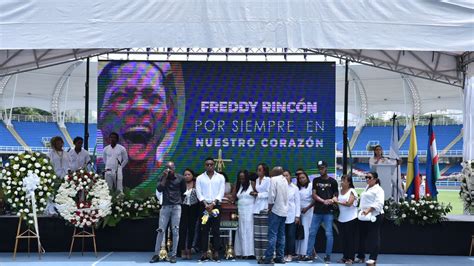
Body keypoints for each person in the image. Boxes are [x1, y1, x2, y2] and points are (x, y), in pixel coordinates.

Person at [98, 61, 178, 190]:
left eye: (152, 97)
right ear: (99, 113)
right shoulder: (92, 177)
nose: (139, 106)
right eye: (123, 96)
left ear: (171, 117)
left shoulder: (170, 177)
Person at [150, 161, 186, 264]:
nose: (169, 170)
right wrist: (165, 178)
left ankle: (173, 255)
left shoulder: (180, 178)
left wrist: (179, 202)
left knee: (175, 231)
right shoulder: (162, 177)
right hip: (165, 207)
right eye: (167, 168)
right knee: (160, 230)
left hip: (176, 207)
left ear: (174, 168)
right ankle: (156, 254)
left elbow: (183, 191)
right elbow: (159, 189)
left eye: (171, 168)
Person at [303, 160, 338, 263]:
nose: (320, 170)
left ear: (326, 168)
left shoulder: (333, 181)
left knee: (329, 234)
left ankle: (328, 256)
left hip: (328, 212)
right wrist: (324, 201)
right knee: (312, 232)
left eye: (322, 168)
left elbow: (336, 195)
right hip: (317, 211)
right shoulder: (316, 180)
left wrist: (331, 200)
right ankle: (309, 255)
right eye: (319, 168)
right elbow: (314, 194)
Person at [195, 157, 225, 262]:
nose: (209, 166)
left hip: (215, 207)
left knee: (216, 230)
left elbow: (221, 192)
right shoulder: (199, 178)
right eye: (207, 164)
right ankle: (204, 253)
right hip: (204, 207)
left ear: (214, 165)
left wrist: (213, 204)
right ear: (205, 166)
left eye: (211, 164)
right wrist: (205, 204)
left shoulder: (220, 177)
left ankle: (216, 252)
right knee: (204, 230)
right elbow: (199, 193)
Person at [260, 166, 288, 264]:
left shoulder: (273, 179)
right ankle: (280, 257)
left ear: (276, 171)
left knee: (272, 235)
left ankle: (268, 258)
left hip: (275, 210)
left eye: (272, 170)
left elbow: (271, 195)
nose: (270, 172)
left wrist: (270, 207)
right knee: (281, 235)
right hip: (284, 211)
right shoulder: (285, 180)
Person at [355, 171, 384, 265]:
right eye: (366, 177)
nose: (367, 179)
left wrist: (369, 210)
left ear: (375, 179)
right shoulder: (366, 188)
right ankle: (360, 256)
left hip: (375, 216)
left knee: (374, 237)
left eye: (369, 177)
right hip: (363, 216)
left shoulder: (379, 190)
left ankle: (373, 258)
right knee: (361, 237)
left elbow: (379, 204)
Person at [334, 175, 358, 264]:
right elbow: (337, 205)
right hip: (341, 219)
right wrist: (333, 202)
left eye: (344, 180)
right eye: (342, 180)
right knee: (343, 239)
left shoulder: (352, 191)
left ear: (349, 182)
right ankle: (345, 257)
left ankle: (351, 258)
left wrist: (336, 201)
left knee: (350, 239)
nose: (342, 182)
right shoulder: (339, 191)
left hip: (351, 219)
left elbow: (349, 204)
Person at [46, 136, 72, 214]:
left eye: (60, 142)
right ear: (53, 144)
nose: (59, 144)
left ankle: (63, 209)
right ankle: (51, 210)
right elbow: (47, 165)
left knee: (63, 194)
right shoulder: (50, 154)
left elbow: (70, 165)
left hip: (65, 176)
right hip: (54, 176)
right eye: (57, 143)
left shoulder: (67, 154)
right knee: (52, 194)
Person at [178, 168, 200, 260]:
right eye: (185, 175)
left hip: (194, 208)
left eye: (189, 174)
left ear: (192, 175)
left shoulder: (196, 184)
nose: (187, 176)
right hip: (183, 208)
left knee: (191, 229)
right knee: (182, 229)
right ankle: (182, 249)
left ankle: (189, 249)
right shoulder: (181, 184)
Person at [251, 163, 271, 260]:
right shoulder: (256, 180)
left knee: (264, 233)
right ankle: (259, 255)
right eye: (257, 169)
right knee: (258, 233)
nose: (258, 171)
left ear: (264, 171)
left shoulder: (268, 180)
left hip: (264, 207)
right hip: (257, 207)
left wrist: (258, 194)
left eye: (260, 169)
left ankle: (266, 255)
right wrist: (255, 193)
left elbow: (269, 193)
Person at [234, 170, 255, 258]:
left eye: (243, 178)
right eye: (240, 178)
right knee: (241, 230)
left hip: (250, 210)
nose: (242, 180)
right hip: (241, 211)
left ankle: (250, 253)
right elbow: (234, 196)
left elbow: (257, 194)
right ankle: (241, 252)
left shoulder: (253, 184)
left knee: (249, 230)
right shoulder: (238, 185)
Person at [295, 171, 314, 259]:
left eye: (303, 177)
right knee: (300, 232)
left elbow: (314, 200)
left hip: (308, 211)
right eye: (300, 178)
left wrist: (307, 208)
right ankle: (299, 253)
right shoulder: (296, 187)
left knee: (306, 232)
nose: (302, 179)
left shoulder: (310, 186)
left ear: (307, 178)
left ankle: (306, 252)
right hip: (298, 212)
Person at [283, 170, 301, 262]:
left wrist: (297, 216)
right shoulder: (280, 187)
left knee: (291, 235)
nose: (285, 177)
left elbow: (297, 203)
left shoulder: (294, 188)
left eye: (287, 175)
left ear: (290, 177)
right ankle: (283, 254)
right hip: (281, 214)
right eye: (283, 176)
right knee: (283, 235)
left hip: (291, 214)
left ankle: (290, 254)